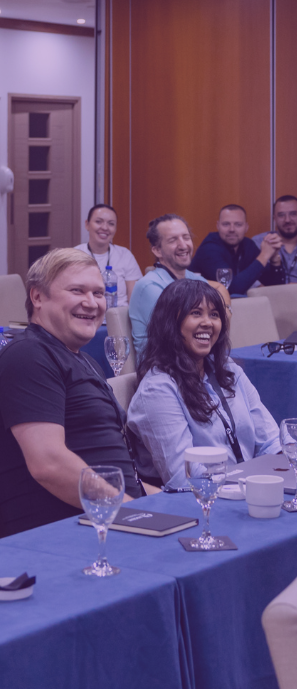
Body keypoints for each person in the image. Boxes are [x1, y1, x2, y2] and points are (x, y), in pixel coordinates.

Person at [0, 249, 142, 537]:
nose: (91, 303)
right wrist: (133, 515)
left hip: (108, 520)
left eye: (99, 293)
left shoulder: (84, 360)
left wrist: (166, 501)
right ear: (37, 297)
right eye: (77, 291)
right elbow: (48, 464)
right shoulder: (29, 355)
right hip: (62, 537)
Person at [127, 279, 279, 489]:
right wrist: (249, 482)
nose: (208, 322)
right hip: (202, 503)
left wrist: (274, 477)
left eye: (214, 314)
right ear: (170, 322)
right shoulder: (158, 389)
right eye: (196, 313)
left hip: (250, 489)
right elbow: (183, 477)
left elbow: (270, 440)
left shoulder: (228, 369)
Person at [129, 214, 208, 356]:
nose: (183, 245)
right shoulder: (149, 286)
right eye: (173, 240)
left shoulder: (198, 281)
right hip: (162, 367)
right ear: (157, 250)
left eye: (186, 237)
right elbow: (179, 334)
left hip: (196, 360)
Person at [190, 204, 286, 294]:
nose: (232, 229)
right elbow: (231, 289)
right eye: (226, 224)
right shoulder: (209, 249)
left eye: (238, 224)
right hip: (200, 306)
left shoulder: (248, 245)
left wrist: (274, 259)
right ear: (218, 226)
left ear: (246, 227)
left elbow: (273, 287)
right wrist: (264, 255)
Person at [74, 204, 143, 312]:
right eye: (98, 222)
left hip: (119, 318)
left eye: (111, 224)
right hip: (85, 314)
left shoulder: (125, 255)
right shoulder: (74, 255)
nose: (105, 228)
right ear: (87, 224)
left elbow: (135, 299)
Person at [253, 195, 297, 287]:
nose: (287, 220)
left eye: (293, 214)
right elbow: (246, 276)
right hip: (268, 297)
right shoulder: (258, 242)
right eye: (281, 215)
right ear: (275, 219)